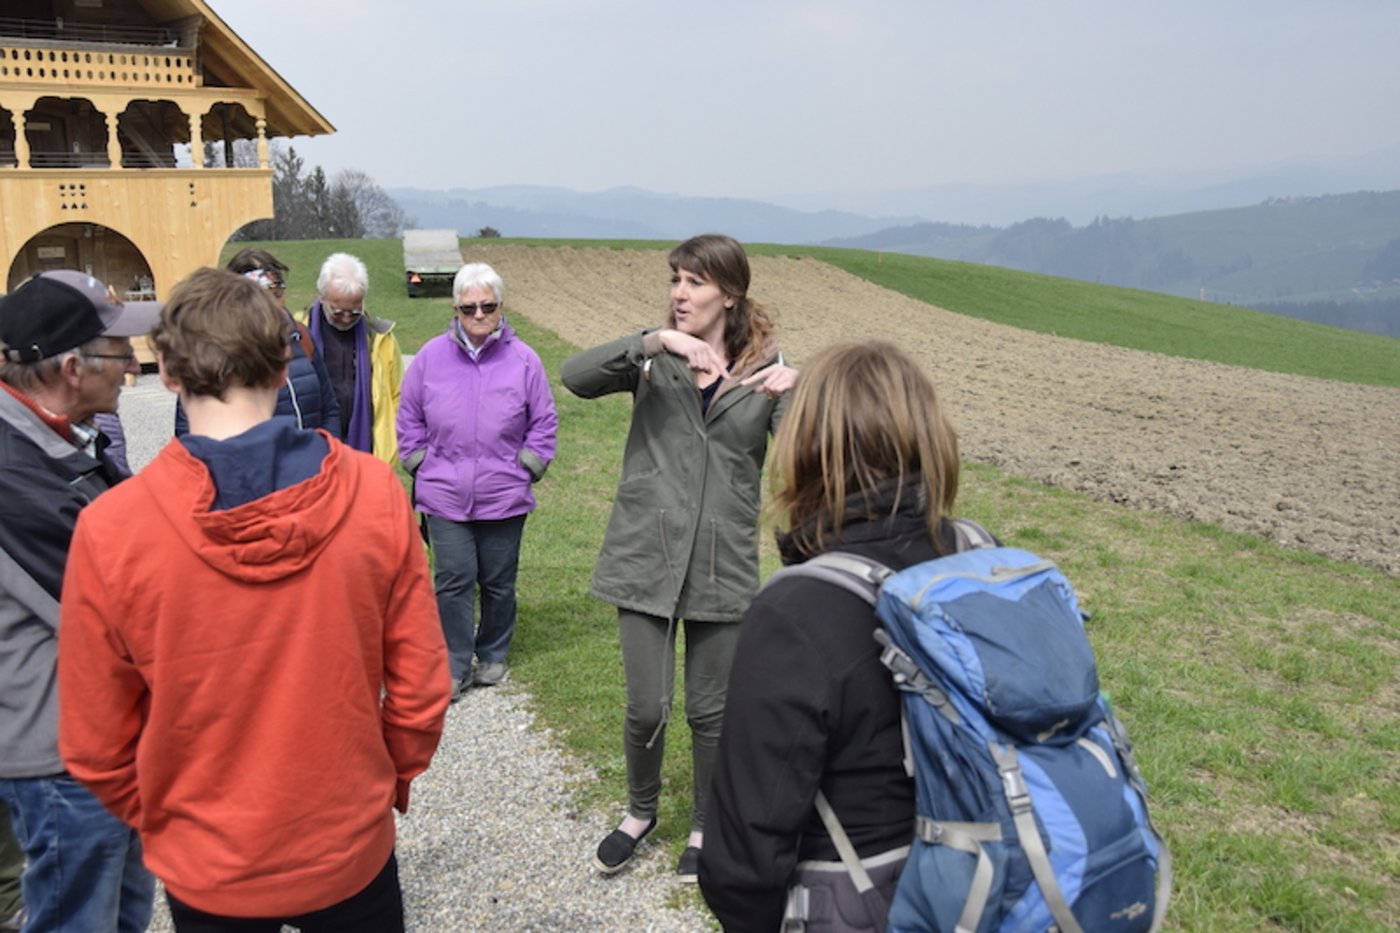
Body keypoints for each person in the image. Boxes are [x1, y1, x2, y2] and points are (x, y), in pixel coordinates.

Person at [57, 267, 452, 932]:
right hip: (345, 838)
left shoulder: (113, 526)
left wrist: (172, 820)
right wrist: (384, 781)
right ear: (281, 367)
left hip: (212, 861)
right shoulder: (373, 494)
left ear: (172, 377)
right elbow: (419, 687)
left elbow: (94, 739)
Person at [698, 341, 975, 932]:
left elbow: (744, 854)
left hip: (870, 902)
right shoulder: (982, 558)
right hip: (991, 888)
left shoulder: (796, 611)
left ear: (807, 445)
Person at [559, 233, 797, 882]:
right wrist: (654, 340)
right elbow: (574, 376)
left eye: (694, 282)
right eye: (675, 280)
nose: (679, 293)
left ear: (730, 293)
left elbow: (813, 447)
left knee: (711, 712)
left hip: (722, 565)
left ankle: (704, 825)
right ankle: (641, 812)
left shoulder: (762, 373)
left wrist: (801, 388)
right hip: (644, 559)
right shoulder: (651, 362)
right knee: (646, 706)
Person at [0, 270, 158, 932]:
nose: (131, 368)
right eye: (120, 353)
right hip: (62, 755)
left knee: (121, 912)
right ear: (72, 367)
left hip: (101, 740)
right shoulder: (14, 472)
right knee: (78, 919)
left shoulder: (60, 440)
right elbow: (118, 602)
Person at [397, 262, 557, 698]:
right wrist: (418, 462)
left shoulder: (525, 360)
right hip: (444, 493)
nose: (480, 315)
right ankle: (453, 662)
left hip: (503, 493)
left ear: (501, 307)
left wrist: (526, 466)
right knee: (453, 577)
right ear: (456, 309)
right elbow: (408, 415)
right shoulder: (430, 356)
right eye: (470, 308)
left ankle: (493, 652)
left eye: (488, 306)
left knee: (499, 580)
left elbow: (543, 422)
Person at [174, 247, 341, 436]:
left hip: (314, 461)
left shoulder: (302, 336)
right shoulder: (214, 349)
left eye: (277, 294)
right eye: (259, 297)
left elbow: (330, 409)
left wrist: (328, 454)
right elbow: (189, 431)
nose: (271, 306)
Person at [307, 252, 404, 462]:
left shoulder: (382, 339)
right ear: (320, 296)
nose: (346, 318)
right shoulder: (298, 333)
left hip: (366, 456)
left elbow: (398, 397)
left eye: (355, 311)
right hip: (313, 454)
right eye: (338, 311)